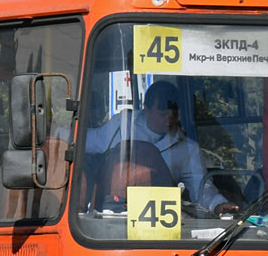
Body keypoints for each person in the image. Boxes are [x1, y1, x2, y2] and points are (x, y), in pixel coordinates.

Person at [83, 81, 237, 215]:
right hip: (109, 213)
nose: (169, 120)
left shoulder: (188, 149)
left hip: (157, 219)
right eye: (163, 114)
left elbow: (202, 188)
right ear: (147, 110)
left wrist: (218, 205)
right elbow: (86, 141)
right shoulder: (121, 127)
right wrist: (60, 134)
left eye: (174, 115)